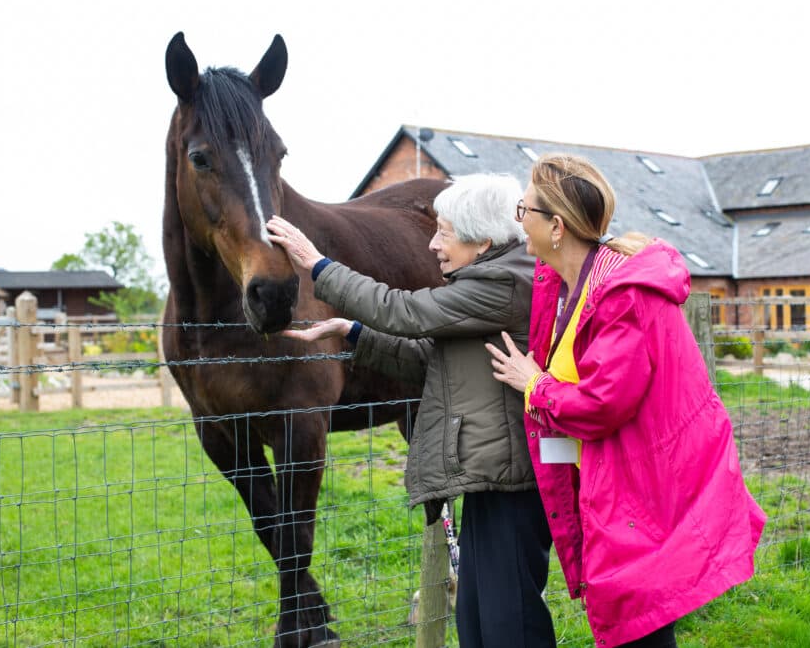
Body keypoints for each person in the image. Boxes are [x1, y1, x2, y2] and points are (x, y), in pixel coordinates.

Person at [485, 154, 766, 648]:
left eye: (522, 209)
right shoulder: (569, 282)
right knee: (638, 615)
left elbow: (601, 404)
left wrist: (534, 384)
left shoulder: (621, 295)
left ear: (556, 225)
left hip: (649, 482)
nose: (517, 221)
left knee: (641, 616)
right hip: (625, 477)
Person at [266, 173, 556, 648]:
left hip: (510, 481)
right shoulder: (488, 281)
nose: (433, 244)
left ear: (482, 240)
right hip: (489, 474)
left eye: (443, 232)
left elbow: (404, 312)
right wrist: (354, 334)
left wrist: (316, 265)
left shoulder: (501, 283)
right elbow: (429, 358)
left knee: (510, 622)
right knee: (479, 618)